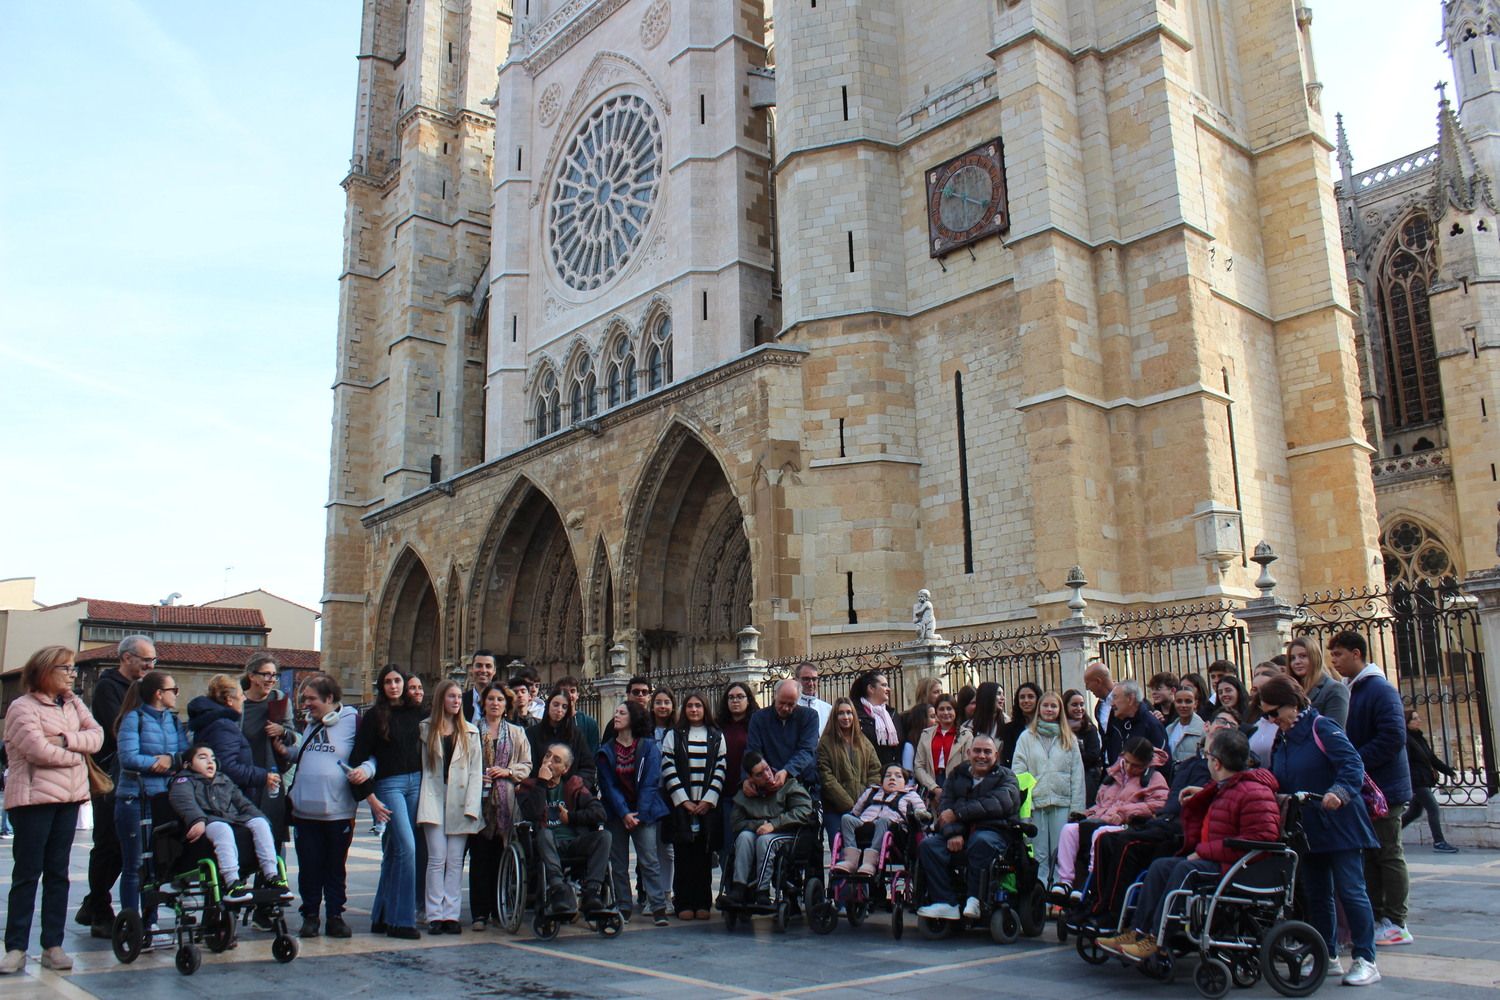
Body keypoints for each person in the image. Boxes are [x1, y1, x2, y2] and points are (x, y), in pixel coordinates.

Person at [1098, 728, 1281, 961]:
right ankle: (1137, 931)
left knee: (1185, 869)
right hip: (1222, 860)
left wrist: (1202, 851)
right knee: (1160, 867)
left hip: (1239, 868)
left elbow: (1261, 839)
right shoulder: (1225, 788)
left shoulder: (1254, 792)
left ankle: (1158, 938)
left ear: (1216, 763)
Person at [1260, 674, 1382, 986]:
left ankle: (1365, 958)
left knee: (1351, 891)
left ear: (1293, 704)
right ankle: (1326, 954)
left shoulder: (1321, 727)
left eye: (1275, 713)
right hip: (1308, 828)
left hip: (1340, 824)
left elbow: (1352, 765)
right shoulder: (1282, 738)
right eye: (1266, 715)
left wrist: (1339, 793)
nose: (1272, 720)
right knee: (1317, 895)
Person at [1, 647, 103, 975]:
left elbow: (97, 737)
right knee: (27, 874)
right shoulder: (22, 708)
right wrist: (75, 751)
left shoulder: (73, 703)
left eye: (74, 669)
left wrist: (62, 740)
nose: (73, 674)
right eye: (67, 668)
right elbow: (36, 751)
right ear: (46, 670)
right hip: (32, 801)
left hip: (68, 799)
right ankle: (15, 947)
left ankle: (53, 945)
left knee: (58, 874)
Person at [1328, 630, 1413, 947]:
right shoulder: (1353, 689)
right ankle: (1379, 917)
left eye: (1338, 655)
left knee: (1389, 853)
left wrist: (1354, 762)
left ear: (1356, 653)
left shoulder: (1380, 689)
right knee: (1372, 854)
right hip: (1367, 787)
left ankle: (1397, 920)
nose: (1334, 661)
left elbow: (1393, 737)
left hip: (1385, 788)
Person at [77, 633, 155, 939]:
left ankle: (93, 903)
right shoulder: (109, 687)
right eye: (146, 659)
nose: (150, 665)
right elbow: (117, 727)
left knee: (126, 847)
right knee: (108, 844)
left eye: (153, 660)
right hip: (112, 777)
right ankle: (98, 910)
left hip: (134, 779)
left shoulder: (143, 688)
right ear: (127, 658)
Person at [348, 664, 425, 939]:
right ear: (381, 686)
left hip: (416, 782)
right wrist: (370, 799)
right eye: (388, 682)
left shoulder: (416, 713)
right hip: (389, 785)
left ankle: (381, 915)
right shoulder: (374, 717)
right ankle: (402, 920)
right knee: (407, 848)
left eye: (398, 681)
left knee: (394, 851)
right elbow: (357, 758)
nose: (394, 686)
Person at [915, 735, 1022, 920]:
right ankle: (946, 902)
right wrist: (953, 833)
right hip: (961, 832)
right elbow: (945, 808)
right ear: (968, 753)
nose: (982, 756)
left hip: (995, 832)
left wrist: (958, 814)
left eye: (987, 752)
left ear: (995, 755)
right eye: (977, 751)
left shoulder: (1006, 777)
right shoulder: (957, 774)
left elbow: (997, 804)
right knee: (928, 846)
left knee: (980, 841)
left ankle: (976, 899)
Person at [113, 670, 188, 934]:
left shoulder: (173, 721)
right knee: (134, 863)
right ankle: (131, 922)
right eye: (173, 690)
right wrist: (161, 763)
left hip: (162, 798)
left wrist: (171, 761)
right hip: (135, 797)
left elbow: (182, 754)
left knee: (156, 862)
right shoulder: (134, 719)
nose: (176, 694)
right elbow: (129, 758)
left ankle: (151, 919)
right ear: (159, 694)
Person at [168, 744, 291, 903]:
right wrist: (198, 820)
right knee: (222, 828)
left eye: (212, 758)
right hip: (208, 821)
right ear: (188, 764)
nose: (210, 762)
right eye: (202, 758)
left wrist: (260, 818)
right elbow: (185, 803)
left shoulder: (223, 779)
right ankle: (232, 881)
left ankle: (272, 876)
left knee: (260, 823)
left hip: (230, 819)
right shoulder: (183, 781)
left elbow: (243, 804)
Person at [287, 672, 358, 939]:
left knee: (335, 867)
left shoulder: (352, 721)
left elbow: (369, 755)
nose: (306, 704)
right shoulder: (308, 724)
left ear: (329, 698)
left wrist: (366, 770)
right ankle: (310, 916)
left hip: (337, 811)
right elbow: (306, 753)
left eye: (311, 699)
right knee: (309, 867)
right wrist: (287, 752)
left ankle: (335, 916)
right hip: (305, 811)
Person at [1054, 737, 1168, 892]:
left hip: (1128, 826)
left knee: (1099, 835)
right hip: (1103, 819)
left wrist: (1125, 812)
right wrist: (1087, 814)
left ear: (1146, 764)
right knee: (1069, 830)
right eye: (1126, 761)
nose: (1129, 767)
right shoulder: (1115, 774)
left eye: (1136, 766)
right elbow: (1102, 804)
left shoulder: (1154, 779)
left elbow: (1158, 805)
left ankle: (1092, 882)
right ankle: (1065, 882)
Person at [416, 680, 482, 935]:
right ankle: (435, 914)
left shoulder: (471, 732)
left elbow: (477, 773)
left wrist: (473, 806)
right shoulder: (425, 729)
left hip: (461, 799)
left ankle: (451, 914)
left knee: (455, 861)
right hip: (434, 796)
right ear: (441, 699)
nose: (456, 701)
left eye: (458, 697)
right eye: (451, 697)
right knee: (436, 858)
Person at [596, 701, 669, 924]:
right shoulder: (606, 750)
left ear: (633, 718)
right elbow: (608, 786)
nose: (615, 716)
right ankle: (624, 906)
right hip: (617, 813)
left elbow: (650, 782)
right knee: (618, 862)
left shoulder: (648, 747)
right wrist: (624, 813)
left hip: (644, 812)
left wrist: (638, 813)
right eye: (615, 712)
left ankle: (658, 906)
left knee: (649, 861)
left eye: (621, 713)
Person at [517, 744, 610, 916]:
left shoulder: (574, 787)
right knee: (545, 833)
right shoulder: (529, 786)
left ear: (565, 769)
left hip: (573, 842)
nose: (549, 761)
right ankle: (558, 888)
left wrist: (572, 817)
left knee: (604, 836)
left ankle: (592, 892)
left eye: (556, 760)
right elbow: (532, 813)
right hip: (546, 845)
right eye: (547, 756)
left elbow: (599, 813)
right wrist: (542, 783)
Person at [469, 683, 532, 930]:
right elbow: (462, 764)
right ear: (483, 703)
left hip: (506, 803)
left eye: (500, 700)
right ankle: (479, 914)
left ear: (506, 705)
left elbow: (527, 765)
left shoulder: (517, 733)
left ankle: (498, 909)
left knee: (501, 856)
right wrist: (477, 775)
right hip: (478, 803)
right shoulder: (472, 732)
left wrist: (507, 771)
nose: (495, 703)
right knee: (479, 858)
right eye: (490, 699)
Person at [661, 692, 725, 920]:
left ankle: (702, 902)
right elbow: (668, 767)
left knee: (703, 856)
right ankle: (684, 901)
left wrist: (709, 799)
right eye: (690, 706)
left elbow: (720, 767)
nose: (694, 710)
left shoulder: (715, 735)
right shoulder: (674, 735)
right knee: (683, 856)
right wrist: (683, 800)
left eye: (698, 706)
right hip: (683, 807)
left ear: (705, 708)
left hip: (707, 805)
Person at [1011, 690, 1085, 884]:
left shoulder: (1069, 738)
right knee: (1039, 853)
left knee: (1061, 851)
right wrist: (1024, 806)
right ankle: (1041, 892)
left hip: (1062, 802)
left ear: (1060, 710)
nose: (1049, 709)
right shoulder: (1026, 737)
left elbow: (1077, 775)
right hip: (1036, 802)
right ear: (1039, 709)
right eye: (1045, 705)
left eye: (1054, 706)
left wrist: (1077, 808)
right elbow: (1019, 772)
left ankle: (1059, 891)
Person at [726, 751, 815, 907]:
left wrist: (774, 824)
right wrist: (761, 824)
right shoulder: (746, 793)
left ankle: (763, 890)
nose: (767, 775)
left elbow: (804, 811)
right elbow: (737, 823)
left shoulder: (788, 784)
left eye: (767, 769)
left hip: (787, 833)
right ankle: (739, 887)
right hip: (760, 831)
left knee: (765, 840)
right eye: (759, 774)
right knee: (744, 837)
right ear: (750, 778)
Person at [188, 675, 281, 802]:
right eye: (241, 694)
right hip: (229, 798)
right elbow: (226, 767)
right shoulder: (224, 726)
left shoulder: (209, 720)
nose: (244, 698)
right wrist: (263, 776)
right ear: (229, 700)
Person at [833, 764, 927, 876]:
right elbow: (855, 812)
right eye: (888, 776)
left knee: (883, 821)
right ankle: (851, 860)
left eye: (898, 776)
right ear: (882, 781)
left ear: (905, 782)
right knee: (846, 818)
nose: (892, 778)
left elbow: (922, 813)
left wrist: (919, 815)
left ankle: (871, 862)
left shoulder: (910, 795)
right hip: (865, 824)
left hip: (893, 831)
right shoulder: (871, 792)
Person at [816, 696, 881, 850]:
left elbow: (875, 770)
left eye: (849, 713)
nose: (846, 717)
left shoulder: (863, 741)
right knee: (840, 847)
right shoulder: (825, 743)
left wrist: (864, 800)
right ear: (835, 717)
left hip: (864, 806)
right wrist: (849, 805)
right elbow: (826, 777)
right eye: (841, 713)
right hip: (836, 809)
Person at [747, 678, 820, 794]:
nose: (785, 708)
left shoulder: (810, 717)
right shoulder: (758, 718)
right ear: (775, 696)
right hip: (768, 784)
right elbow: (753, 751)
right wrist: (748, 778)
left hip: (802, 784)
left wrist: (787, 771)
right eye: (781, 703)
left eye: (791, 704)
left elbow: (807, 750)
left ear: (798, 700)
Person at [1402, 709, 1459, 853]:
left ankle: (1386, 836)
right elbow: (1405, 762)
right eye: (1415, 718)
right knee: (1433, 808)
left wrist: (1449, 771)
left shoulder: (1419, 738)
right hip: (1417, 781)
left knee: (1414, 813)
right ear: (1407, 722)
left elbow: (1431, 758)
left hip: (1424, 779)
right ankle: (1439, 842)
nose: (1419, 720)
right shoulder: (1406, 740)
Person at [717, 682, 758, 877]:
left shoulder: (756, 725)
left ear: (748, 700)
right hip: (724, 793)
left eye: (740, 697)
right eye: (731, 697)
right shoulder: (718, 727)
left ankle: (751, 887)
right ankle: (729, 887)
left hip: (751, 792)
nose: (735, 701)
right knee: (727, 842)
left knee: (750, 840)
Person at [528, 690, 595, 789]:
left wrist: (575, 786)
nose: (559, 710)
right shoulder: (532, 733)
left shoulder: (576, 735)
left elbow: (588, 768)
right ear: (548, 705)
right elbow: (528, 766)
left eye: (564, 707)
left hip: (570, 793)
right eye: (555, 705)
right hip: (539, 790)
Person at [914, 694, 971, 804]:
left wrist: (949, 790)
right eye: (941, 709)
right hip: (931, 784)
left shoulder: (966, 735)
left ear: (955, 711)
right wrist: (934, 788)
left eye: (949, 709)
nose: (945, 713)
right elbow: (919, 766)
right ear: (936, 712)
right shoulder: (926, 734)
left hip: (956, 786)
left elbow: (967, 765)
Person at [1102, 680, 1168, 769]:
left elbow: (1161, 761)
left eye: (1115, 697)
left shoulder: (1151, 725)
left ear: (1130, 699)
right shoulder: (1115, 723)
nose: (1112, 703)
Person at [1287, 637, 1349, 727]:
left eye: (1303, 656)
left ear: (1314, 657)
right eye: (1292, 658)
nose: (1296, 662)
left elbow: (1334, 731)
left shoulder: (1335, 689)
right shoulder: (1291, 690)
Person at [849, 670, 902, 768]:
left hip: (890, 773)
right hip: (866, 772)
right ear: (871, 688)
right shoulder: (854, 715)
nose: (888, 689)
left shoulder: (893, 715)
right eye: (884, 685)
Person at [1063, 688, 1104, 804]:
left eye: (1082, 704)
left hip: (1087, 778)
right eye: (1074, 705)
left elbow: (1094, 755)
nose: (1079, 708)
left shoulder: (1089, 729)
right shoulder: (1060, 729)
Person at [999, 682, 1040, 768]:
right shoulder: (1008, 730)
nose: (1026, 700)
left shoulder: (1047, 726)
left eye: (1030, 697)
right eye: (1022, 697)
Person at [556, 676, 599, 755]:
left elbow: (593, 754)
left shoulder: (589, 723)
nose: (569, 695)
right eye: (565, 691)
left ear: (577, 695)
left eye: (572, 691)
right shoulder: (552, 722)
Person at [1165, 685, 1206, 764]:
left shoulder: (1204, 730)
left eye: (1188, 701)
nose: (1183, 705)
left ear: (1195, 703)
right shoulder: (1168, 729)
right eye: (1179, 701)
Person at [460, 651, 497, 724]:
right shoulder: (461, 701)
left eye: (488, 666)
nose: (483, 670)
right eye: (479, 666)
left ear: (494, 671)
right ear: (471, 669)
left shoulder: (502, 701)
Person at [795, 662, 832, 734]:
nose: (811, 683)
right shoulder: (790, 708)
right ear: (797, 680)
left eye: (814, 679)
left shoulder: (828, 709)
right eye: (806, 679)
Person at [1084, 660, 1115, 733]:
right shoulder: (1099, 708)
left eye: (1088, 683)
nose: (1087, 688)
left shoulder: (1128, 699)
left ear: (1098, 681)